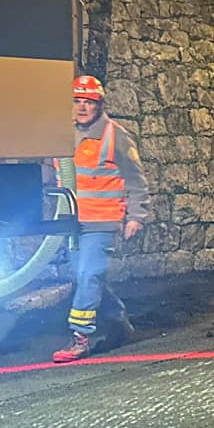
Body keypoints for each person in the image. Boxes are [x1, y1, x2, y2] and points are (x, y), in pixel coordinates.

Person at [54, 74, 149, 363]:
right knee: (85, 277)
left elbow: (136, 179)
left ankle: (80, 337)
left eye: (89, 102)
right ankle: (118, 322)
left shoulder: (114, 136)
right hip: (72, 221)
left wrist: (136, 216)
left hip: (102, 222)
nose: (82, 107)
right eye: (77, 101)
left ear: (99, 105)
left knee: (88, 275)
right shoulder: (61, 134)